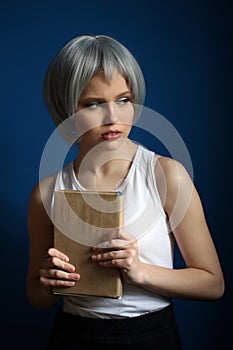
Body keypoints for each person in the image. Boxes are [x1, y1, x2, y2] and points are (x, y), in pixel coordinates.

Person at [26, 34, 225, 349]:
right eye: (93, 104)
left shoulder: (165, 175)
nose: (113, 118)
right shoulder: (47, 192)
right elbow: (36, 296)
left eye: (123, 99)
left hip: (150, 335)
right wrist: (49, 282)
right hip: (72, 334)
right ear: (66, 109)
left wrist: (139, 271)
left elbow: (213, 284)